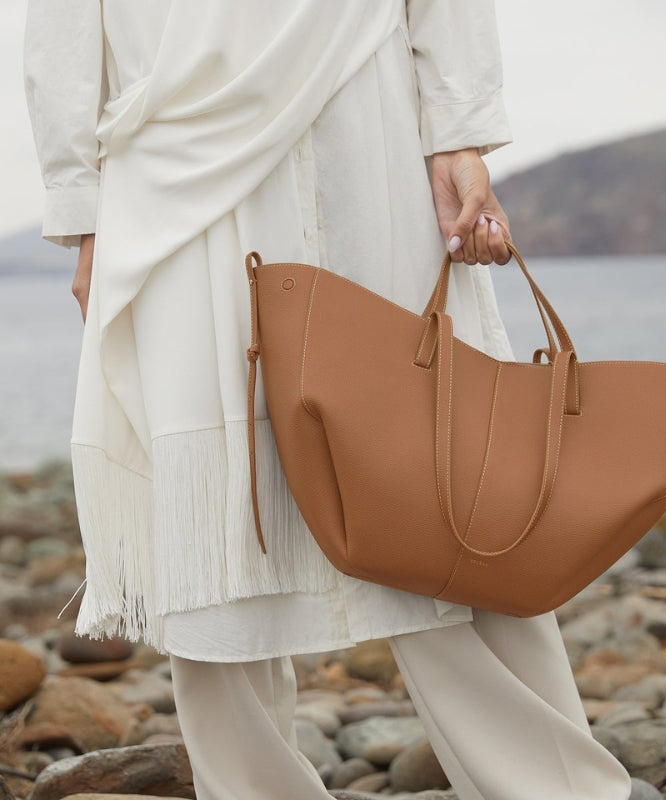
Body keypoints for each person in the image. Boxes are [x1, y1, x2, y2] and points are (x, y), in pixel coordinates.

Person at [24, 1, 631, 798]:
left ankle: (559, 792)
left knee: (438, 478)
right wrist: (81, 206)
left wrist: (460, 133)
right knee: (211, 509)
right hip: (171, 142)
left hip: (361, 108)